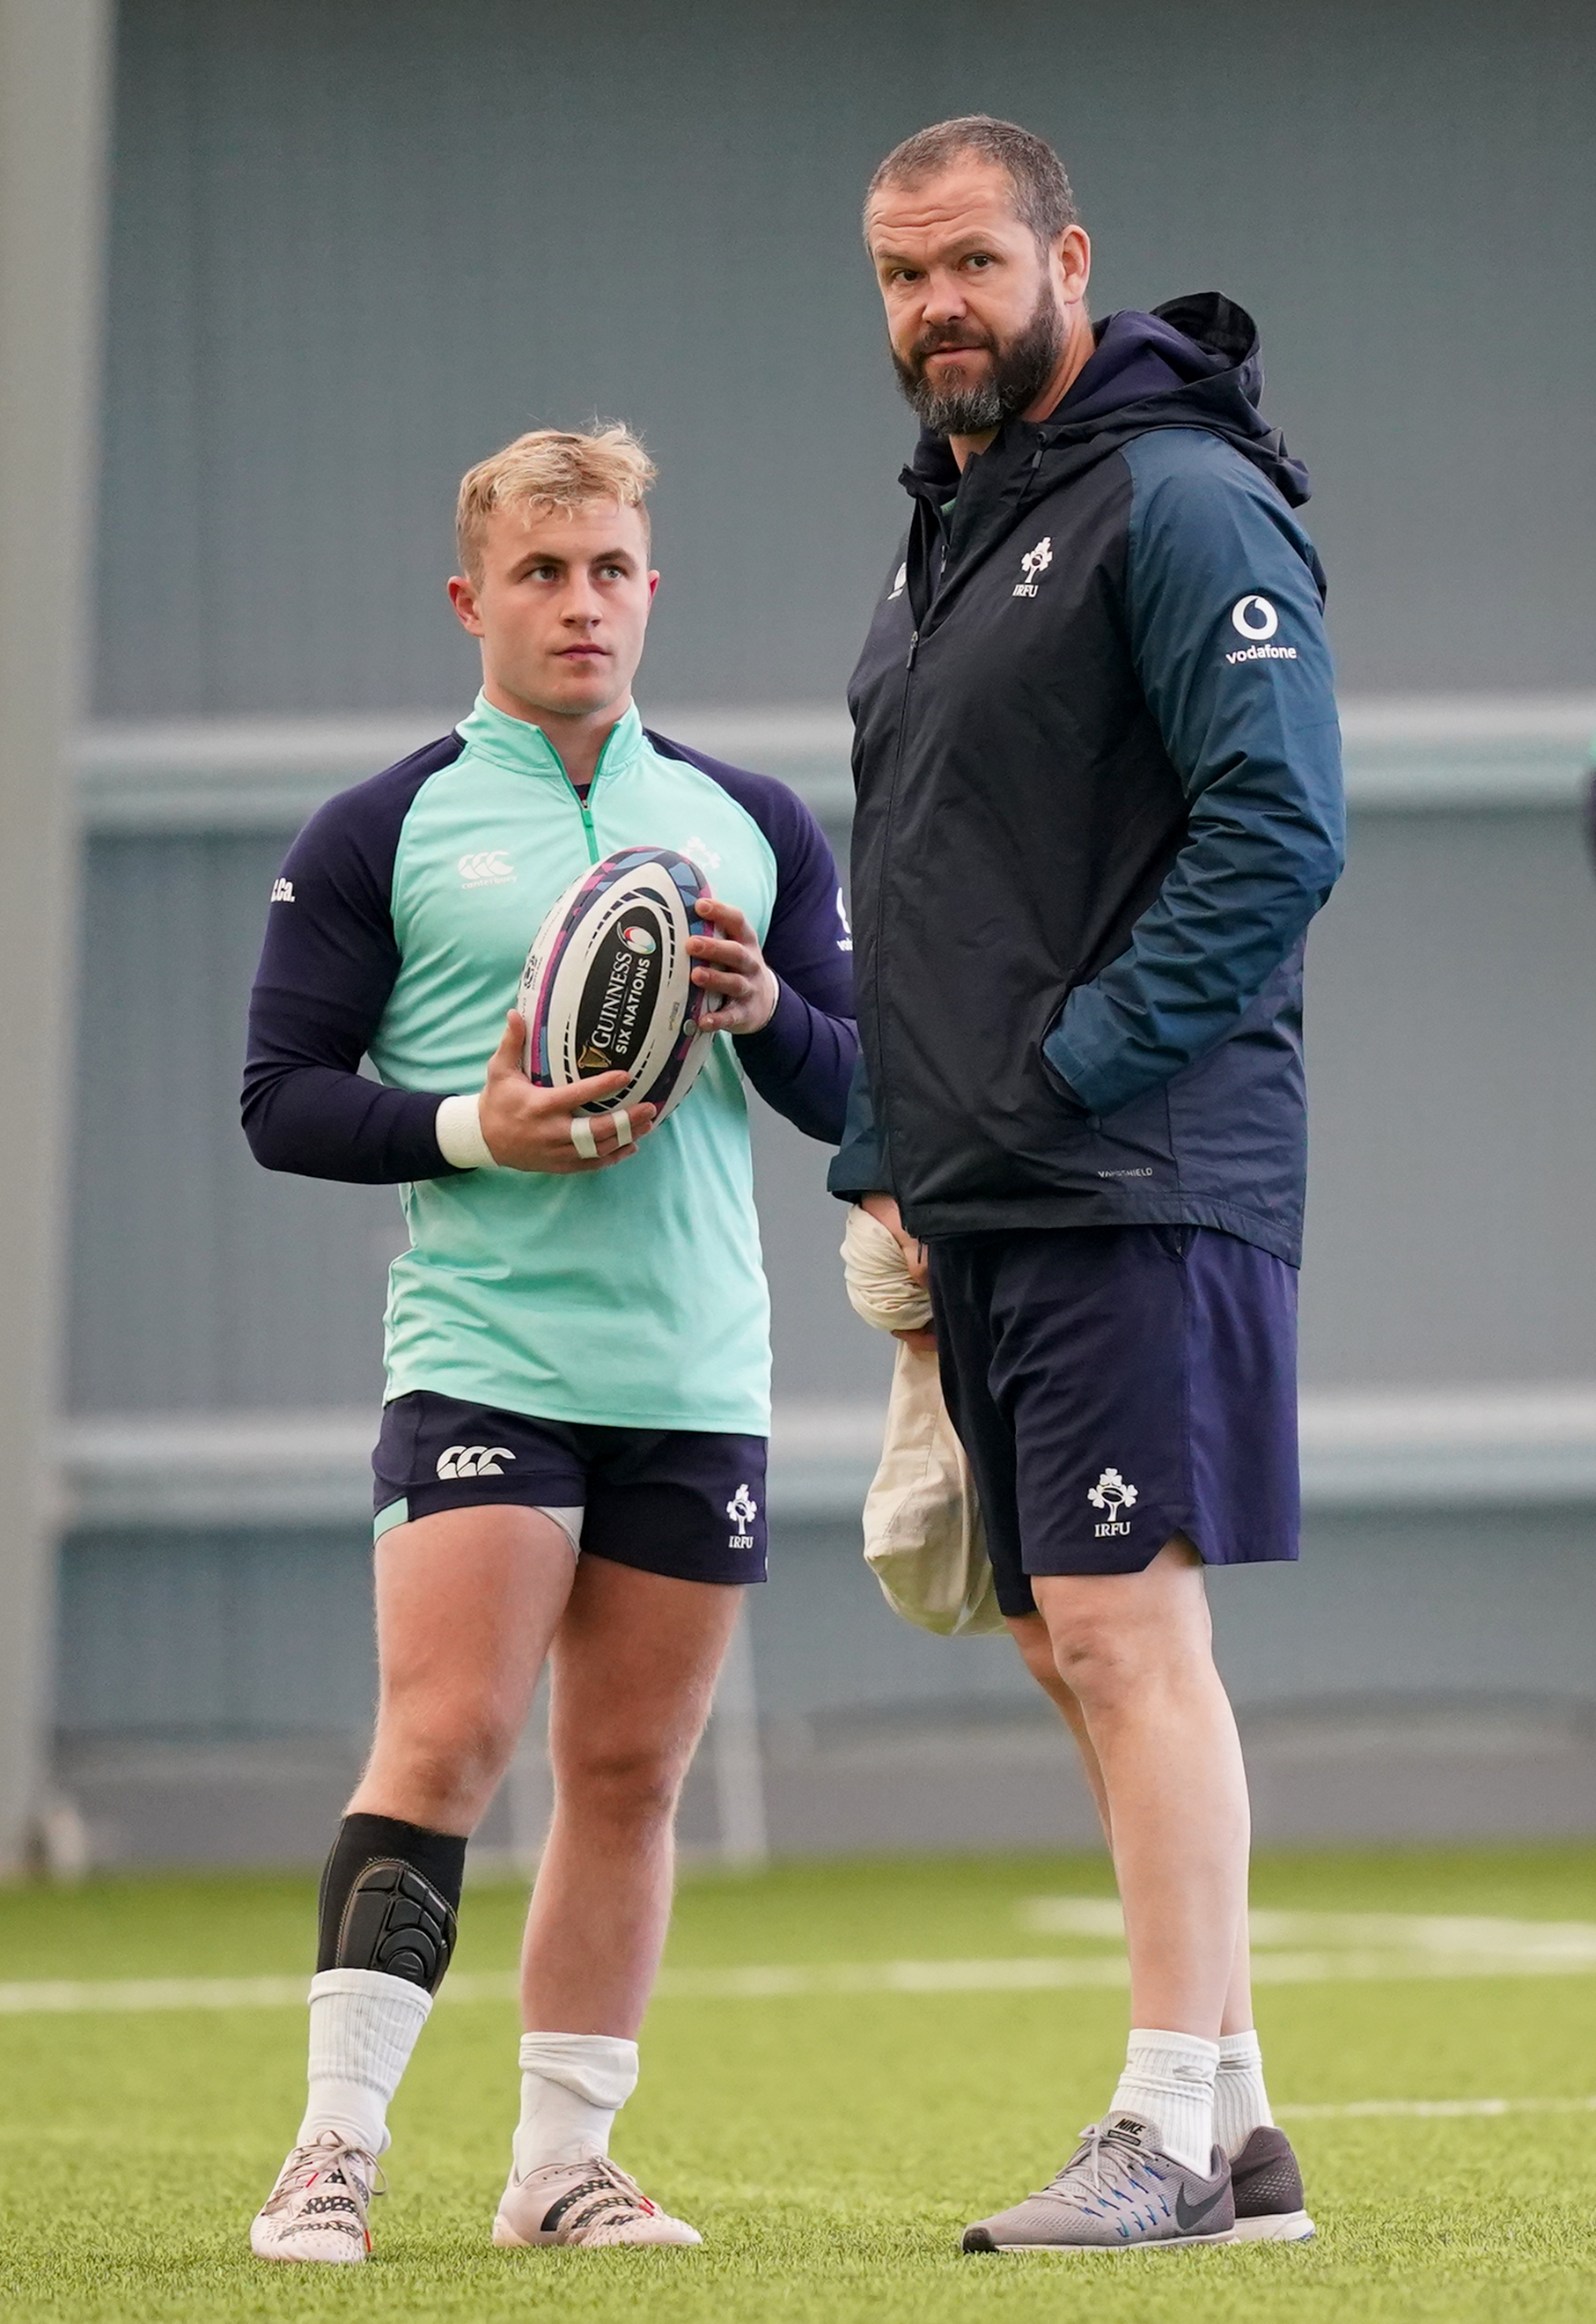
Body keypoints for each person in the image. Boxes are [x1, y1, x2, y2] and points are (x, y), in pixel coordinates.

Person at [239, 424, 855, 2260]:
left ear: (651, 589)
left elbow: (860, 1096)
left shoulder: (753, 822)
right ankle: (335, 2148)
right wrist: (468, 1129)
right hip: (486, 1358)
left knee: (630, 1777)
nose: (579, 604)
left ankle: (558, 2166)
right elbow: (280, 1099)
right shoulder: (384, 826)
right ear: (471, 598)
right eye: (540, 573)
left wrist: (767, 1013)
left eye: (608, 572)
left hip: (695, 1375)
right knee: (444, 1741)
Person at [830, 116, 1344, 2253]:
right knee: (1064, 1641)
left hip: (1133, 1168)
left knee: (1129, 1638)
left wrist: (1062, 1072)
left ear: (1064, 255)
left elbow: (1275, 828)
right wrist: (894, 1156)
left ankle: (1159, 2136)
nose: (932, 307)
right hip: (992, 1192)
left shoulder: (1181, 495)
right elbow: (937, 876)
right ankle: (1236, 2133)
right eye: (895, 275)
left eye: (966, 262)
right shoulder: (950, 525)